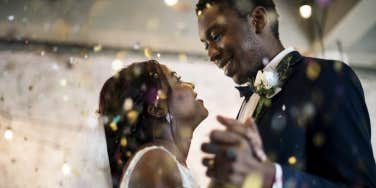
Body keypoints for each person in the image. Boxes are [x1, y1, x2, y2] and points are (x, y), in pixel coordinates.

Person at [195, 0, 376, 187]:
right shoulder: (249, 100)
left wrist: (272, 177)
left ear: (258, 20)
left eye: (215, 36)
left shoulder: (328, 78)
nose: (211, 55)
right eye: (205, 45)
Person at [98, 60, 208, 188]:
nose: (191, 86)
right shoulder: (156, 163)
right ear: (157, 109)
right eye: (177, 80)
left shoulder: (159, 162)